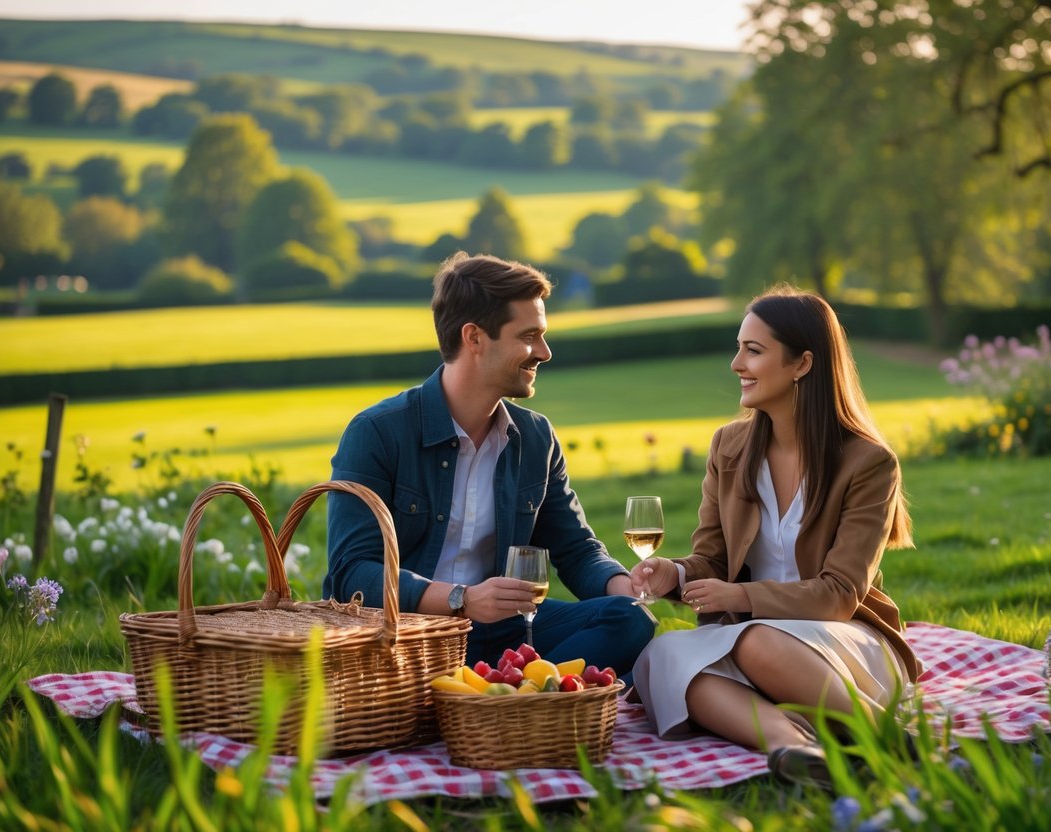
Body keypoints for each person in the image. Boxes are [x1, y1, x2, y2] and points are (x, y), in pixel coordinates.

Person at [629, 285, 921, 787]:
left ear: (802, 364)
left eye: (754, 350)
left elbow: (839, 597)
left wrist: (740, 596)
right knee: (662, 657)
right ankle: (797, 750)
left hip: (845, 641)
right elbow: (712, 560)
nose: (736, 363)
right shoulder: (730, 446)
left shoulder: (869, 462)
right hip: (755, 638)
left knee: (756, 640)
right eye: (739, 347)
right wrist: (672, 573)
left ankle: (884, 737)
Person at [324, 252, 654, 675]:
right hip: (406, 636)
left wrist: (629, 586)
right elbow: (352, 574)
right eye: (529, 336)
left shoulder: (535, 437)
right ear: (474, 338)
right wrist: (461, 598)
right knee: (618, 672)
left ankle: (500, 692)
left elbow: (576, 550)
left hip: (504, 633)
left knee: (629, 618)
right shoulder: (378, 432)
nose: (545, 352)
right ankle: (516, 692)